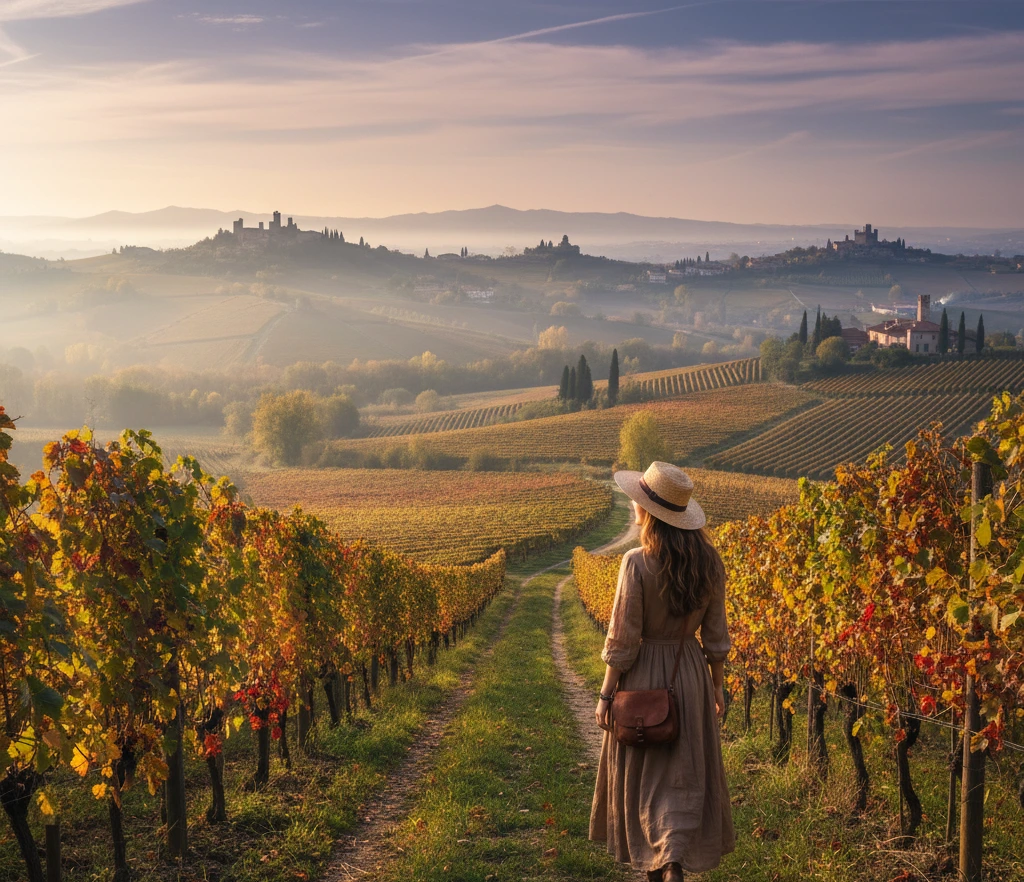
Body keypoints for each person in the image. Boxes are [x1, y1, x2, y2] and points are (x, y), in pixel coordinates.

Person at [589, 461, 735, 881]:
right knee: (684, 774)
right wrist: (717, 686)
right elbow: (717, 635)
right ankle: (674, 861)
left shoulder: (636, 563)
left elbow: (622, 639)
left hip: (643, 680)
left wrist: (605, 695)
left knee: (646, 778)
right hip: (687, 673)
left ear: (648, 513)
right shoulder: (710, 562)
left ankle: (658, 863)